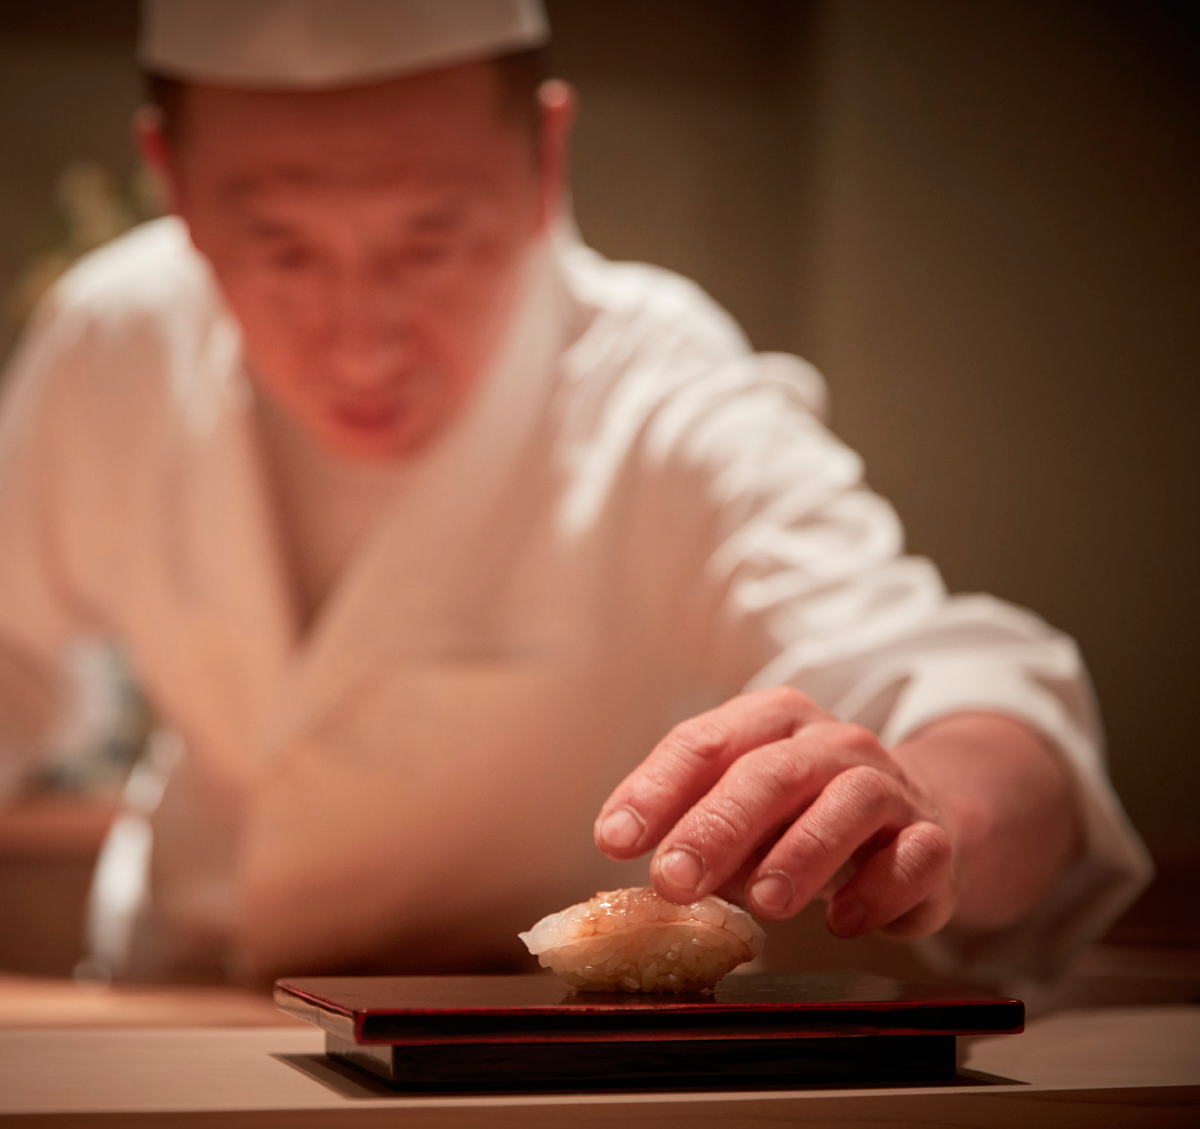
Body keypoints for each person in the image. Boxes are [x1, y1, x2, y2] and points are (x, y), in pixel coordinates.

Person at [0, 0, 1150, 985]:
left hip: (533, 1056)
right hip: (172, 1003)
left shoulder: (656, 386)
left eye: (432, 239)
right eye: (281, 247)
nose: (360, 342)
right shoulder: (115, 338)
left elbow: (954, 678)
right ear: (174, 185)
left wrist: (936, 796)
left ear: (546, 160)